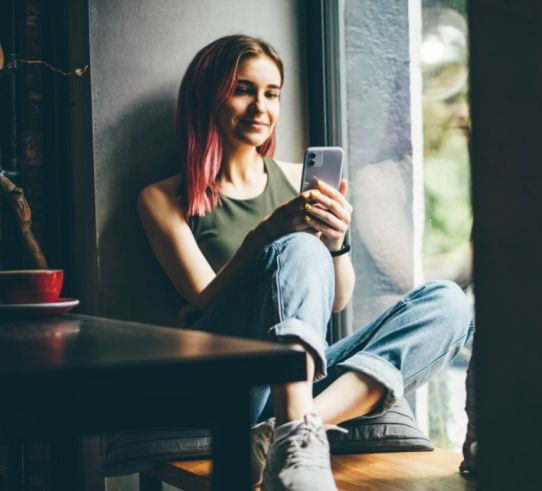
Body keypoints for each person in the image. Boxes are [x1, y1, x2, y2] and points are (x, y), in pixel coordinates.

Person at [137, 34, 473, 491]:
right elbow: (201, 297)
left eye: (271, 94)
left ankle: (289, 429)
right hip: (225, 377)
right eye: (242, 89)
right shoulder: (162, 198)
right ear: (208, 96)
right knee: (299, 247)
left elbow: (336, 303)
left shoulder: (299, 178)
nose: (260, 107)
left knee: (449, 302)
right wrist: (269, 234)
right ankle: (294, 433)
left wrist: (336, 241)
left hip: (298, 377)